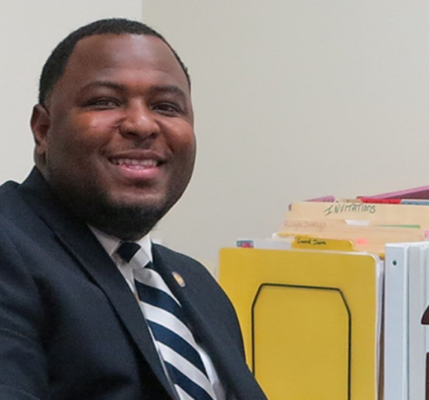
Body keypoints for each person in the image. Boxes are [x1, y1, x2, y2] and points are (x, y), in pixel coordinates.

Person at [0, 18, 267, 400]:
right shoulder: (10, 247)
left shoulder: (198, 285)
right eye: (104, 101)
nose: (142, 124)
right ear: (43, 129)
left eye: (166, 107)